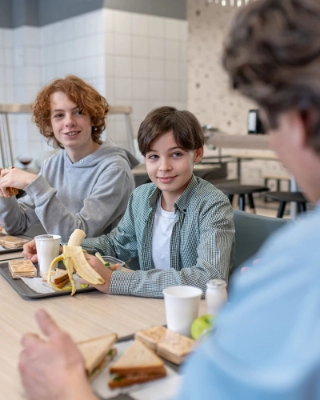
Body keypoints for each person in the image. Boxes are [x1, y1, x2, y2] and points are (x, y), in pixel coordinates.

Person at [0, 75, 138, 242]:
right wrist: (4, 194)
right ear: (49, 123)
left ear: (93, 118)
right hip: (61, 264)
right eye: (59, 115)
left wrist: (35, 185)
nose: (69, 122)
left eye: (78, 112)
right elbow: (17, 225)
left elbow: (76, 238)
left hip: (103, 265)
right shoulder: (52, 164)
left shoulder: (115, 169)